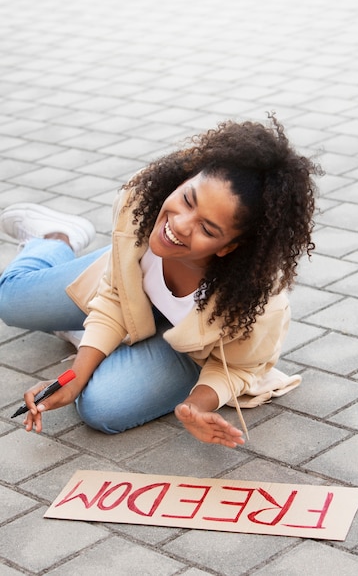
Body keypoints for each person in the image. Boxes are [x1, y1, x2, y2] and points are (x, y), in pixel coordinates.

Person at [0, 115, 321, 448]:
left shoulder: (256, 300)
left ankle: (91, 334)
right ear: (183, 181)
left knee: (102, 407)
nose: (180, 225)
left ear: (229, 247)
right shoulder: (142, 207)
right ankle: (58, 237)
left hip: (190, 348)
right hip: (129, 291)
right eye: (187, 199)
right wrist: (74, 377)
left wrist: (196, 407)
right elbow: (113, 296)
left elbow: (238, 368)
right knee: (9, 301)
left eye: (208, 229)